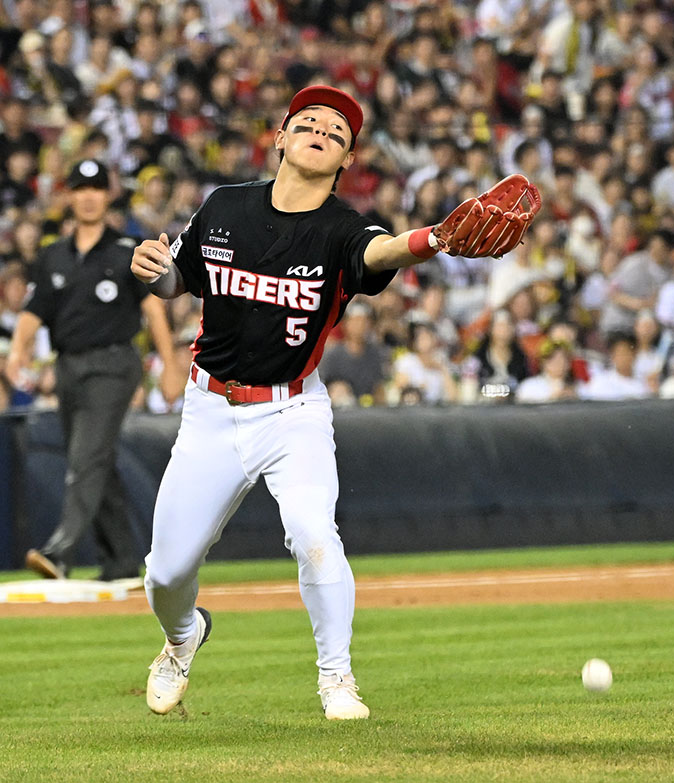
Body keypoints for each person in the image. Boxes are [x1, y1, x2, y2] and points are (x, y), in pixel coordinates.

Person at [129, 86, 523, 721]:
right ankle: (182, 638)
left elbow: (378, 252)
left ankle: (337, 677)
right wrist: (157, 271)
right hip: (209, 409)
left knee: (315, 536)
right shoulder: (225, 206)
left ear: (345, 161)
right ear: (280, 139)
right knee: (166, 574)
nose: (319, 132)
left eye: (336, 132)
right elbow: (181, 279)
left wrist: (436, 238)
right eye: (306, 122)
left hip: (293, 413)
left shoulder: (343, 229)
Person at [5, 159, 183, 581]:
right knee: (93, 458)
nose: (88, 196)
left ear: (108, 195)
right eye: (80, 188)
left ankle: (61, 549)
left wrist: (171, 367)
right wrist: (17, 353)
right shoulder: (52, 256)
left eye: (96, 188)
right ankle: (121, 559)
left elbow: (154, 312)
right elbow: (34, 312)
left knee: (86, 456)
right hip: (69, 367)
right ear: (69, 196)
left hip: (114, 363)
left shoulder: (127, 251)